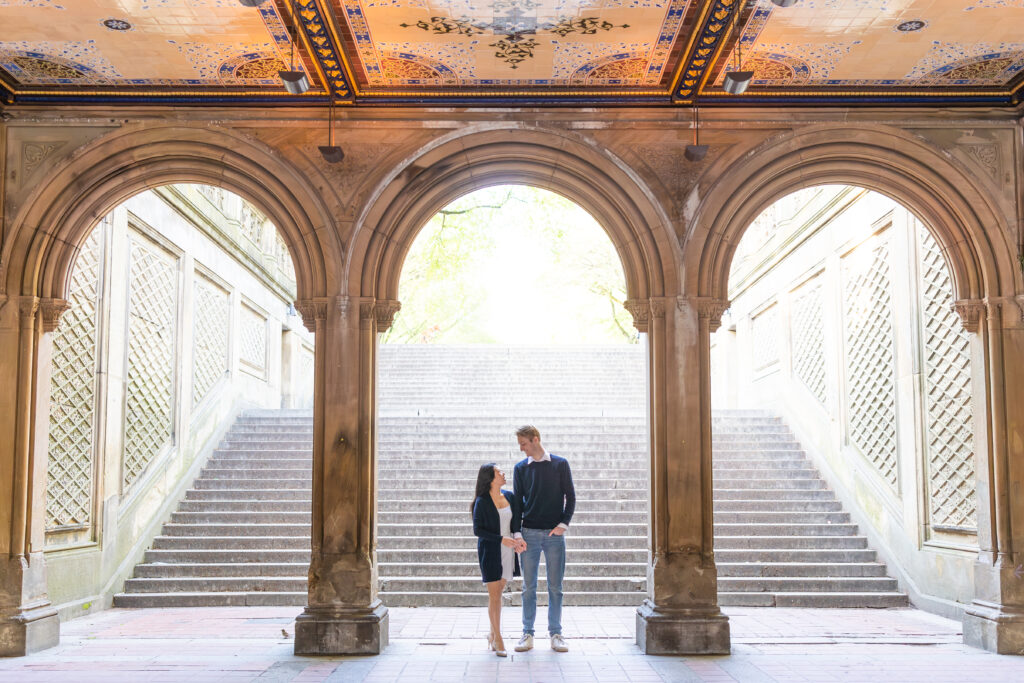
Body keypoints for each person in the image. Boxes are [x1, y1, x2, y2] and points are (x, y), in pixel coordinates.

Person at [512, 425, 575, 653]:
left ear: (535, 439)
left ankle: (556, 633)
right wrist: (517, 532)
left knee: (555, 587)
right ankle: (527, 633)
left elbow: (571, 496)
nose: (521, 449)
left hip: (553, 535)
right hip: (528, 533)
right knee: (528, 587)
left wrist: (563, 524)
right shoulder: (520, 469)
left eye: (524, 444)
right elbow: (517, 502)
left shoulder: (560, 464)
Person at [471, 463, 525, 657]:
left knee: (498, 593)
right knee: (494, 595)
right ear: (490, 478)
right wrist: (502, 539)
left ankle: (492, 634)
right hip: (491, 550)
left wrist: (517, 539)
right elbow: (478, 530)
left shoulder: (509, 496)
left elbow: (517, 521)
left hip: (508, 550)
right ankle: (498, 639)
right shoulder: (482, 501)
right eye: (498, 472)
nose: (503, 473)